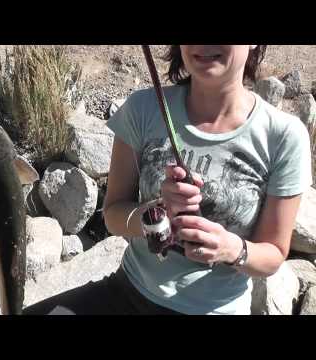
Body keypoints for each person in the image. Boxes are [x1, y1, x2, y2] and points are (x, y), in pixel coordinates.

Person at [23, 45, 313, 315]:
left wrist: (231, 248)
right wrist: (157, 213)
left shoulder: (284, 137)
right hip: (127, 294)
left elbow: (273, 254)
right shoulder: (143, 108)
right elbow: (112, 215)